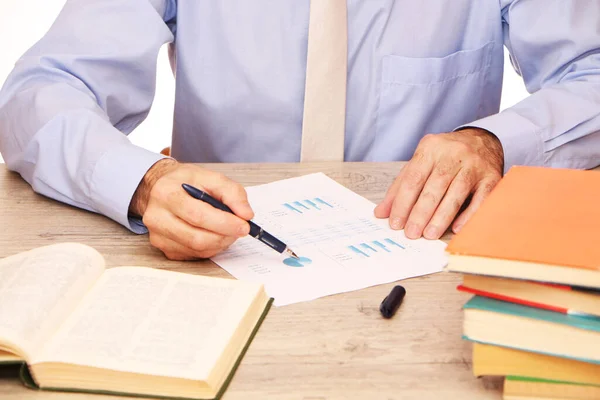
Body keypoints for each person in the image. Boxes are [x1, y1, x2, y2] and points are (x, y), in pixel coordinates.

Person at [0, 1, 599, 261]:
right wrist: (142, 182)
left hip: (424, 267)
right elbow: (41, 91)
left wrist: (493, 142)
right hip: (210, 261)